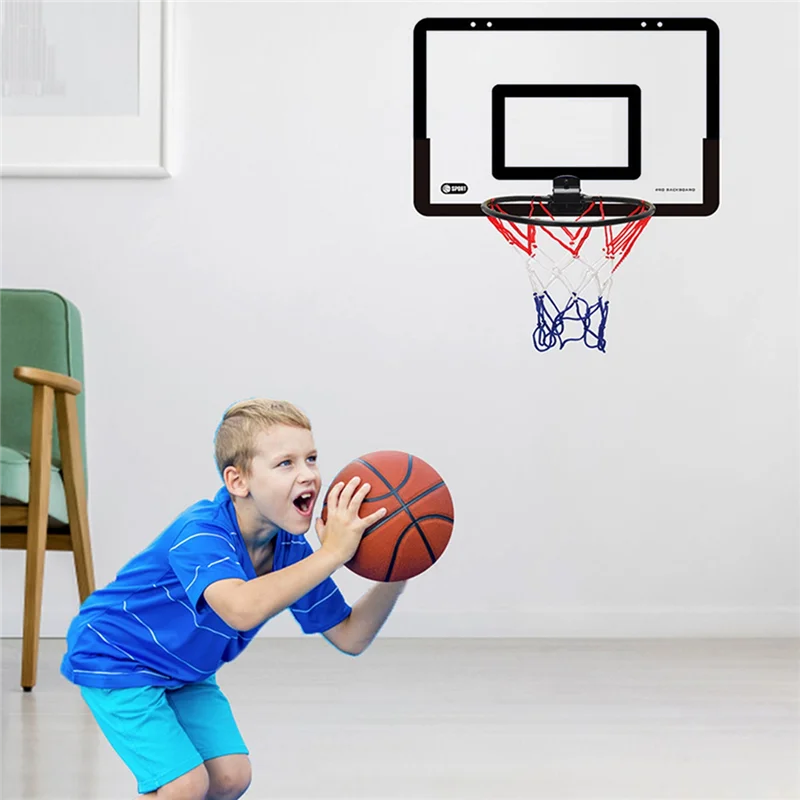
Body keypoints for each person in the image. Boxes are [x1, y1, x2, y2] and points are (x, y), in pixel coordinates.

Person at [60, 398, 407, 799]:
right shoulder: (201, 532)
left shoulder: (289, 548)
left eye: (311, 458)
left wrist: (399, 567)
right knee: (184, 785)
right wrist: (333, 554)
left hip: (185, 668)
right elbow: (241, 608)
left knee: (231, 777)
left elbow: (350, 636)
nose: (308, 474)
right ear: (238, 481)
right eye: (286, 463)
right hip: (117, 655)